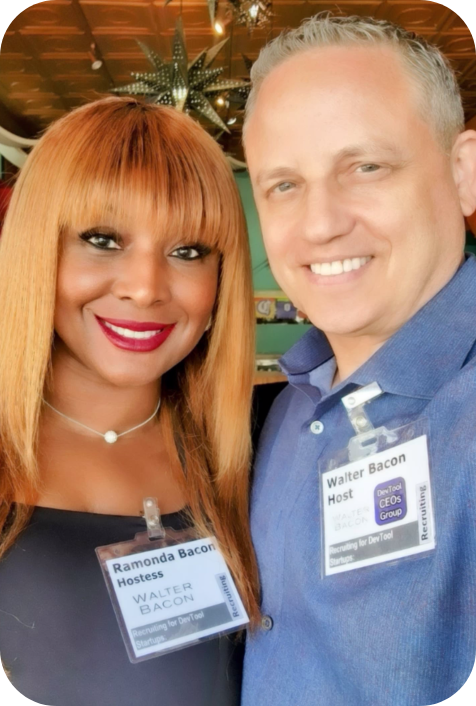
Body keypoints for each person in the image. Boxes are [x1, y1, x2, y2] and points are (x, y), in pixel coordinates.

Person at [241, 13, 476, 705]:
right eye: (284, 185)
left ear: (464, 173)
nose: (320, 223)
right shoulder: (289, 405)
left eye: (365, 166)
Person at [0, 96, 260, 706]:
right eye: (102, 238)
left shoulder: (254, 448)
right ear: (39, 248)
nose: (145, 288)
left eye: (188, 251)